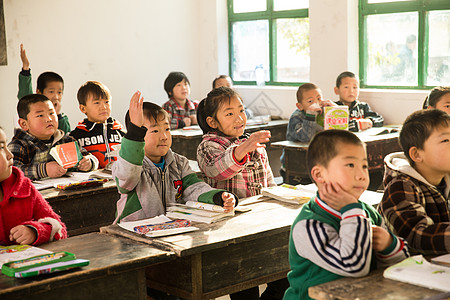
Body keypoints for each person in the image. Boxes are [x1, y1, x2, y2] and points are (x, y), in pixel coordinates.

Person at [283, 129, 409, 300]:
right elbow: (354, 266)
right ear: (319, 174)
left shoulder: (366, 211)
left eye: (364, 166)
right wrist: (351, 209)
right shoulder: (309, 224)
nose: (361, 175)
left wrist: (389, 245)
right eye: (350, 165)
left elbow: (403, 265)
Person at [197, 87, 286, 300]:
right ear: (212, 122)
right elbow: (218, 170)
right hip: (230, 230)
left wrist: (278, 204)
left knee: (283, 275)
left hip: (261, 222)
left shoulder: (252, 145)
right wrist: (243, 149)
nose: (239, 118)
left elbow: (269, 183)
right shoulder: (208, 146)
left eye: (242, 110)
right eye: (229, 113)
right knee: (243, 286)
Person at [113, 91, 236, 223]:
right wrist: (134, 132)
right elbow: (126, 180)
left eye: (167, 129)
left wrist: (217, 196)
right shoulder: (130, 165)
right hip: (132, 231)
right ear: (138, 135)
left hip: (169, 228)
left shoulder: (178, 162)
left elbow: (194, 188)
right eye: (155, 131)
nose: (164, 136)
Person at [378, 109, 450, 255]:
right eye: (446, 140)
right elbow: (415, 236)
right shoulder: (401, 186)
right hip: (406, 270)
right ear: (416, 154)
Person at [0, 127, 68, 245]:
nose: (10, 155)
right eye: (1, 148)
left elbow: (60, 230)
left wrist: (35, 231)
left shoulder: (23, 187)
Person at [8, 94, 98, 181]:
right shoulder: (19, 145)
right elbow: (12, 172)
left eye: (51, 113)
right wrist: (44, 170)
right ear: (24, 124)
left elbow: (89, 157)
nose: (49, 119)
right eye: (40, 115)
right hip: (38, 195)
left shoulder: (66, 140)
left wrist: (89, 163)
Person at [280, 83, 335, 184]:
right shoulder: (297, 116)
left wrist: (334, 111)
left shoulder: (323, 113)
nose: (316, 103)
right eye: (310, 101)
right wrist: (310, 116)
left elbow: (338, 132)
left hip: (317, 164)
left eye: (319, 99)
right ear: (300, 106)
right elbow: (305, 137)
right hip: (296, 166)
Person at [69, 81, 125, 169]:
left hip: (119, 180)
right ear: (83, 108)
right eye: (97, 103)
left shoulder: (120, 132)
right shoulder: (76, 136)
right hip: (92, 180)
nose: (104, 107)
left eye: (107, 102)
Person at [18, 44, 70, 133]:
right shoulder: (32, 107)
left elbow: (66, 136)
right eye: (51, 91)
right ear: (39, 92)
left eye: (59, 92)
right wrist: (25, 68)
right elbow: (25, 94)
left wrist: (57, 114)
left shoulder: (62, 118)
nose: (56, 96)